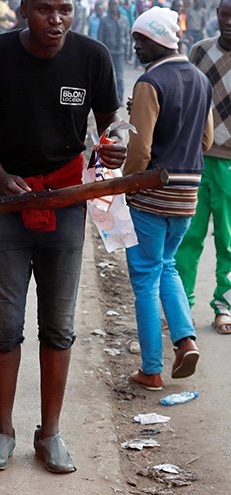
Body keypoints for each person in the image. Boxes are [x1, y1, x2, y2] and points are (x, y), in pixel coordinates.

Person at [0, 0, 127, 474]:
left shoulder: (92, 56)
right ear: (22, 11)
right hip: (6, 205)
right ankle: (2, 430)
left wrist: (111, 147)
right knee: (5, 324)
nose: (56, 20)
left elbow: (109, 123)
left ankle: (50, 432)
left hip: (66, 203)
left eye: (65, 9)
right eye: (44, 9)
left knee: (58, 326)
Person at [123, 7, 213, 390]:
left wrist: (123, 183)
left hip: (152, 196)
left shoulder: (151, 81)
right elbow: (205, 140)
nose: (135, 48)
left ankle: (152, 369)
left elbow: (140, 150)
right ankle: (185, 339)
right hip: (187, 194)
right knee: (168, 266)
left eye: (139, 41)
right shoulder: (199, 78)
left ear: (156, 40)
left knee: (145, 277)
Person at [176, 0, 231, 334]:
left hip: (230, 165)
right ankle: (180, 307)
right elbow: (182, 93)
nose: (229, 22)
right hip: (195, 159)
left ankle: (224, 307)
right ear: (216, 16)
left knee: (228, 239)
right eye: (224, 15)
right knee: (188, 236)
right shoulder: (199, 51)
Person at [99, 0, 131, 98]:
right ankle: (107, 99)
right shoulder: (104, 20)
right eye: (112, 4)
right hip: (108, 52)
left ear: (119, 5)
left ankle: (120, 98)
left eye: (116, 4)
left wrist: (128, 53)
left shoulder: (124, 19)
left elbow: (127, 37)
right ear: (109, 6)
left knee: (120, 78)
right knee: (107, 77)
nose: (114, 6)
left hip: (120, 52)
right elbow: (101, 37)